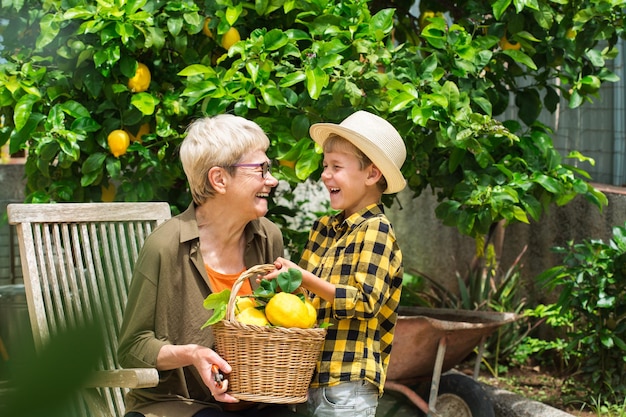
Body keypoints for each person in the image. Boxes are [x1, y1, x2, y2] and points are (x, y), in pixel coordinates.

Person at [117, 114, 289, 417]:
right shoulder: (165, 246)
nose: (271, 180)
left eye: (269, 169)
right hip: (176, 404)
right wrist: (192, 354)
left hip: (250, 400)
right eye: (261, 169)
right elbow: (132, 347)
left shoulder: (267, 237)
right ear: (219, 179)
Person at [265, 110, 407, 416]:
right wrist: (281, 281)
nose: (325, 175)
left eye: (336, 167)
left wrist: (303, 277)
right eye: (325, 166)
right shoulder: (323, 228)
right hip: (309, 377)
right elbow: (300, 297)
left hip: (348, 381)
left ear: (372, 174)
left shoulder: (377, 230)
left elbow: (365, 302)